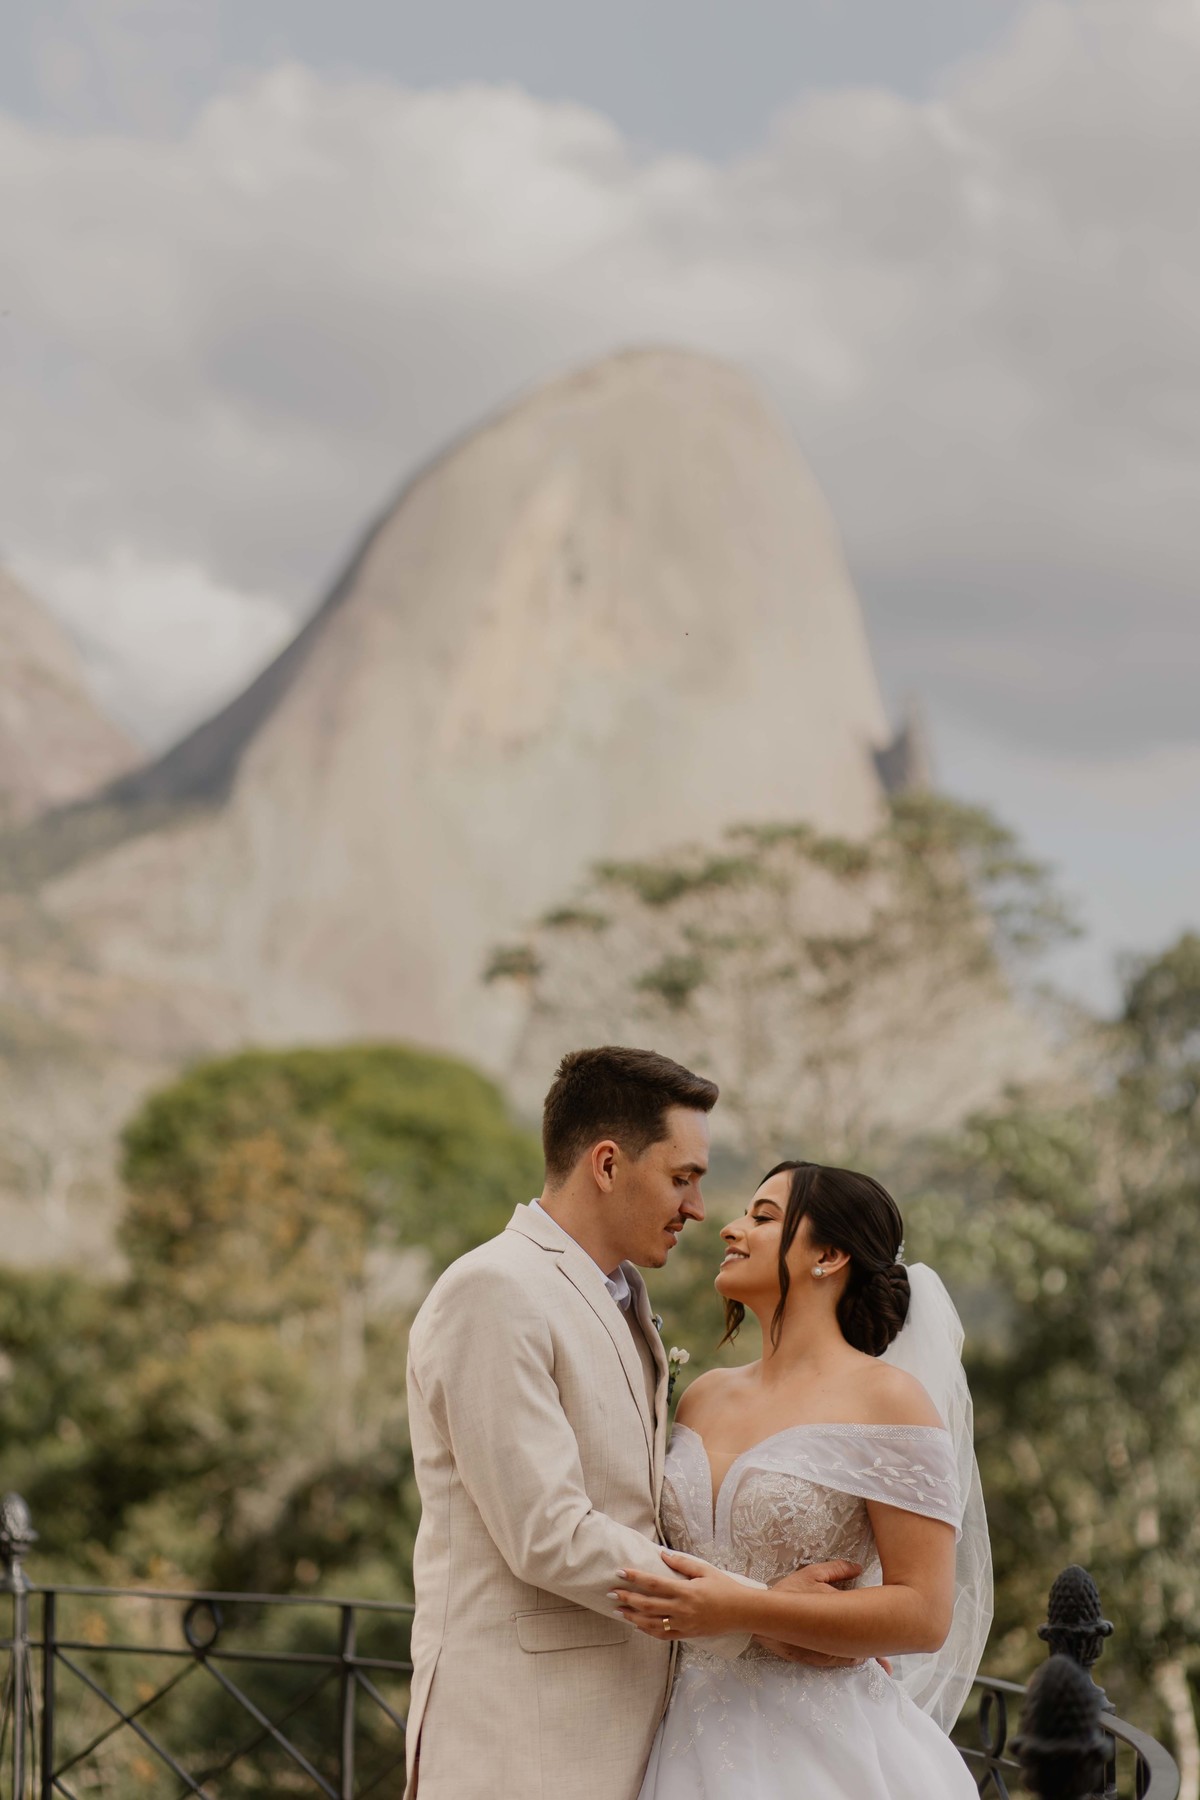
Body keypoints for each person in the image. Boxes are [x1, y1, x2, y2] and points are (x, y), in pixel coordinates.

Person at [403, 1052, 861, 1800]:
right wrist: (755, 1612)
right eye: (683, 1178)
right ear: (608, 1164)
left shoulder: (624, 1296)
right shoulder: (495, 1289)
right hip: (520, 1742)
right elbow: (548, 1533)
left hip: (633, 1737)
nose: (699, 1209)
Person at [614, 1160, 993, 1800]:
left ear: (829, 1255)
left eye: (763, 1217)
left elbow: (925, 1614)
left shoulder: (888, 1400)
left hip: (822, 1755)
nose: (730, 1228)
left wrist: (749, 1610)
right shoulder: (702, 1397)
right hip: (682, 1736)